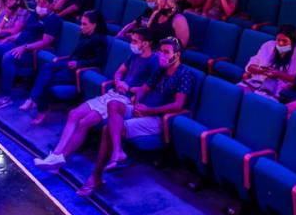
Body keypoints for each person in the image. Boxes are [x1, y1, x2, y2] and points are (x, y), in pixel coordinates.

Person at [77, 37, 195, 196]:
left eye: (166, 52)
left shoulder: (185, 73)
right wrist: (136, 104)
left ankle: (95, 176)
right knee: (113, 103)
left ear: (177, 54)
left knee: (107, 129)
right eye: (161, 51)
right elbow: (144, 89)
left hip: (158, 119)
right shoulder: (161, 69)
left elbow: (178, 105)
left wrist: (148, 111)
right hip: (143, 111)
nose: (162, 55)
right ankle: (117, 152)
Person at [35, 29, 159, 168]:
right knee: (73, 114)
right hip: (113, 92)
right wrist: (118, 81)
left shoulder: (154, 61)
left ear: (146, 43)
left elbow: (149, 88)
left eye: (135, 41)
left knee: (84, 122)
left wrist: (129, 88)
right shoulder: (134, 56)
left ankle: (62, 158)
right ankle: (56, 154)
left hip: (125, 100)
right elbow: (119, 72)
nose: (132, 44)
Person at [21, 11, 108, 125]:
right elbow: (75, 53)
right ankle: (33, 99)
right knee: (46, 67)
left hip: (79, 71)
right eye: (81, 23)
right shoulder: (84, 34)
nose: (81, 27)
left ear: (94, 24)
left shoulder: (99, 39)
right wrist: (71, 61)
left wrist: (79, 64)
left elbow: (99, 61)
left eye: (85, 24)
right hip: (69, 63)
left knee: (48, 80)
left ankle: (39, 108)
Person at [0, 0, 64, 111]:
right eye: (39, 1)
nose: (40, 4)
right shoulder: (34, 15)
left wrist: (25, 47)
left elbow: (45, 41)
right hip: (17, 44)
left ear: (51, 5)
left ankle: (6, 96)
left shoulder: (54, 19)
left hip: (30, 52)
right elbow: (23, 32)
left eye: (44, 2)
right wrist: (8, 38)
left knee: (8, 57)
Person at [239, 28, 296, 100]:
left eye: (285, 41)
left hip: (279, 88)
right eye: (278, 40)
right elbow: (250, 67)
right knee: (238, 93)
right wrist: (262, 70)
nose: (280, 44)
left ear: (294, 43)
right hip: (257, 80)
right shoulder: (269, 45)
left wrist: (278, 74)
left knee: (257, 100)